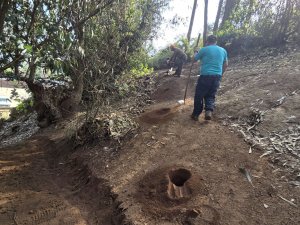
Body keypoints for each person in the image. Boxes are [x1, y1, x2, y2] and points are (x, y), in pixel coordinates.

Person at [191, 35, 228, 121]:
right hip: (217, 76)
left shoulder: (204, 49)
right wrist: (220, 74)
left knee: (199, 95)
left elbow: (193, 60)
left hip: (205, 76)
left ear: (207, 41)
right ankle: (208, 111)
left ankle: (196, 114)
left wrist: (196, 52)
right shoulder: (223, 50)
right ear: (216, 42)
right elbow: (226, 65)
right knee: (211, 95)